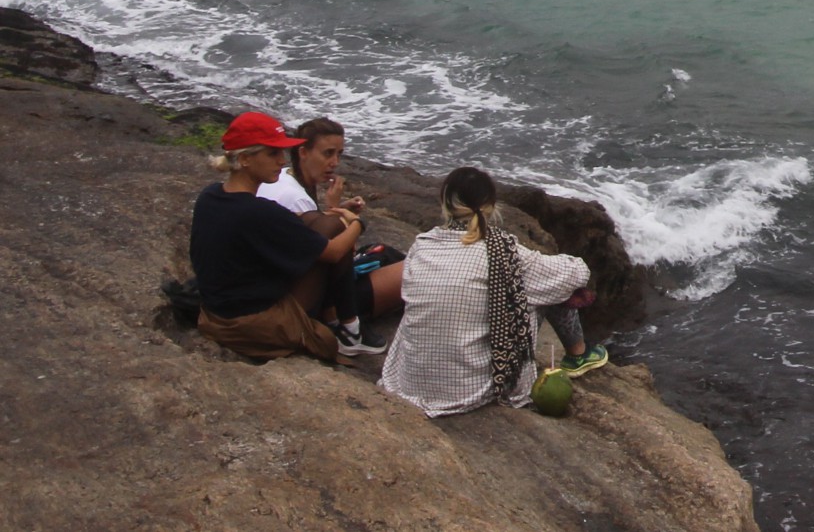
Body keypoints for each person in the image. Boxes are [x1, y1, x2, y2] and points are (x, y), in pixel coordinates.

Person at [380, 167, 608, 417]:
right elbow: (578, 274)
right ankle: (579, 355)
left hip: (410, 383)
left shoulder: (421, 245)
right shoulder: (503, 252)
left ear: (444, 203)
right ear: (490, 206)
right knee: (549, 284)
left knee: (531, 283)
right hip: (469, 389)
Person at [189, 111, 380, 361]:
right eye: (273, 153)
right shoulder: (258, 211)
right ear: (245, 159)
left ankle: (346, 323)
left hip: (215, 312)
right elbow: (333, 253)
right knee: (333, 237)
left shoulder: (211, 195)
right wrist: (357, 223)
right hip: (249, 323)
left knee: (319, 223)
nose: (281, 160)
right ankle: (348, 329)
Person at [257, 117, 404, 345]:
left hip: (288, 285)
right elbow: (334, 255)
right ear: (303, 152)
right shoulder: (296, 199)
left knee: (386, 255)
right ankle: (348, 328)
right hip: (309, 299)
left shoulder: (284, 177)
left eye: (339, 154)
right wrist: (337, 215)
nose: (335, 162)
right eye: (327, 154)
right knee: (411, 271)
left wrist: (331, 211)